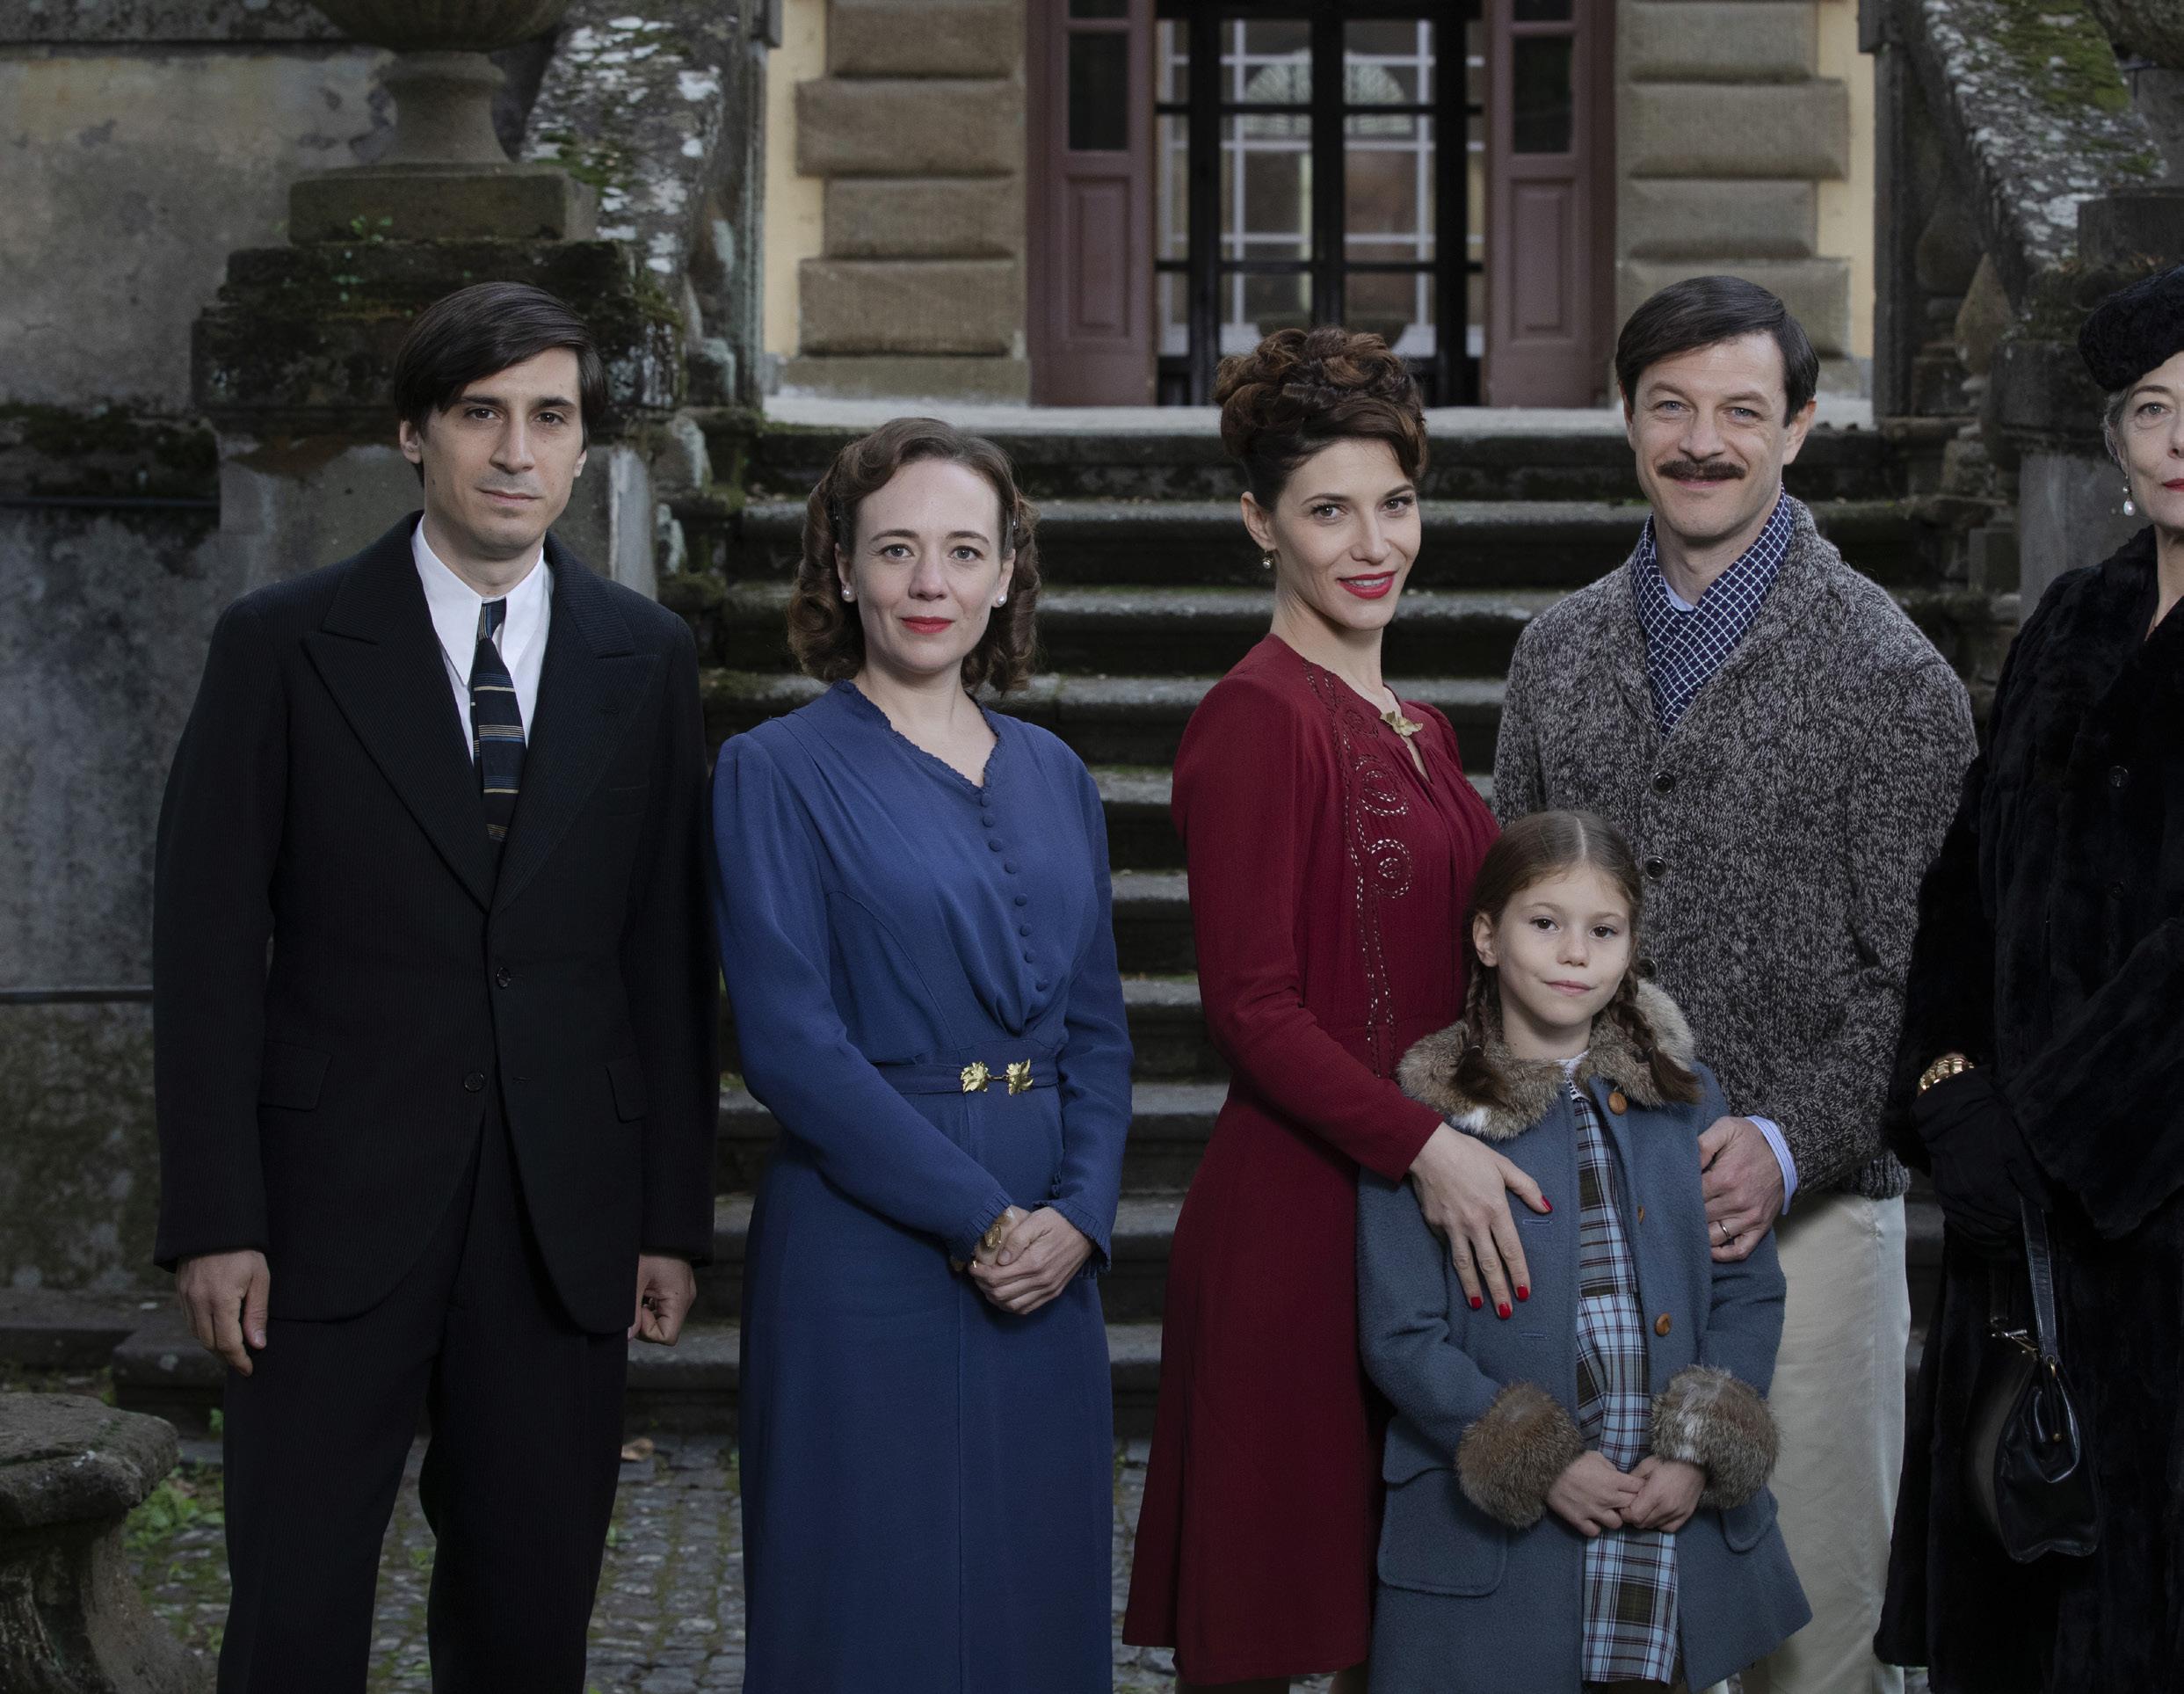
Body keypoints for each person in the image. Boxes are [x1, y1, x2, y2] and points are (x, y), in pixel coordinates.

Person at [152, 281, 718, 1691]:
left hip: (557, 1209)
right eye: (481, 413)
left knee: (529, 1620)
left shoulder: (647, 658)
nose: (517, 451)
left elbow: (666, 953)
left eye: (551, 416)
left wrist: (669, 1216)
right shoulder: (280, 644)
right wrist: (215, 1217)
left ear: (582, 444)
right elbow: (206, 946)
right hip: (322, 1208)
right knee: (291, 1614)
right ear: (415, 433)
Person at [1492, 275, 1976, 1694]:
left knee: (1811, 1634)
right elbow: (1510, 937)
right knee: (1606, 1633)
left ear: (1799, 428)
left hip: (1808, 1229)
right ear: (1626, 417)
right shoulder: (1555, 655)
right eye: (1672, 407)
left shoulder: (1891, 674)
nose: (1703, 441)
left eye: (1741, 411)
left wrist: (1783, 1139)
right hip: (1586, 1221)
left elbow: (1929, 977)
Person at [1124, 327, 1526, 1693]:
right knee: (1272, 1630)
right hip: (1299, 1223)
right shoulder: (1255, 716)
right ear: (1260, 523)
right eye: (1328, 511)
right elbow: (1249, 1007)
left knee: (1405, 1629)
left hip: (1421, 1215)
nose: (1373, 543)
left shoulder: (1423, 724)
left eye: (1395, 502)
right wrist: (1425, 1145)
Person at [710, 418, 1132, 1693]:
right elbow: (790, 1044)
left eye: (962, 549)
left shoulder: (1057, 773)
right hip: (862, 1240)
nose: (929, 582)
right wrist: (981, 1217)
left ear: (1007, 572)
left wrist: (1080, 1214)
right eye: (895, 549)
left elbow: (1099, 1029)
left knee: (1031, 1595)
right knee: (867, 1600)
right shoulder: (770, 769)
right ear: (841, 568)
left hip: (1050, 1250)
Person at [1876, 263, 2184, 1691]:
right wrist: (1947, 1083)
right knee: (2017, 1593)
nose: (2178, 439)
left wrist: (2053, 1135)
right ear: (2115, 438)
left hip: (2152, 1216)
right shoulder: (2070, 616)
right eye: (2151, 408)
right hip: (2016, 1232)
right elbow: (1968, 868)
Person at [1360, 811, 1809, 1694]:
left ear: (1631, 947)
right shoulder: (1422, 1123)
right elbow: (1400, 1336)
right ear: (1486, 936)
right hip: (1507, 1550)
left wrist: (1696, 1448)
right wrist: (1539, 1461)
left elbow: (1748, 1290)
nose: (1574, 954)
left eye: (1603, 931)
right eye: (1544, 923)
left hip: (1662, 1506)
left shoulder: (1686, 1099)